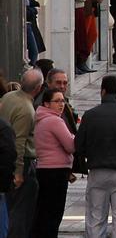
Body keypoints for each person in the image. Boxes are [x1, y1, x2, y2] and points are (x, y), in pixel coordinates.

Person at [76, 75, 116, 238]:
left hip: (98, 170)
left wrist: (84, 166)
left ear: (102, 91)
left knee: (96, 219)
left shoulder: (90, 115)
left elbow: (79, 145)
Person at [1, 68, 42, 238]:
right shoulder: (27, 110)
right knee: (20, 213)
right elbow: (19, 141)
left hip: (6, 159)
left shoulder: (8, 97)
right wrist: (18, 173)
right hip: (21, 163)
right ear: (38, 88)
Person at [32, 87, 74, 238]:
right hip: (56, 171)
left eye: (63, 101)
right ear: (47, 104)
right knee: (54, 212)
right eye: (57, 101)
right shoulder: (55, 121)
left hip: (43, 169)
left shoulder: (40, 119)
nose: (61, 104)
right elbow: (70, 145)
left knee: (44, 211)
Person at [24, 0, 45, 67]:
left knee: (34, 52)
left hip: (31, 25)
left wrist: (33, 9)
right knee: (33, 52)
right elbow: (24, 11)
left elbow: (36, 3)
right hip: (26, 25)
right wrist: (34, 10)